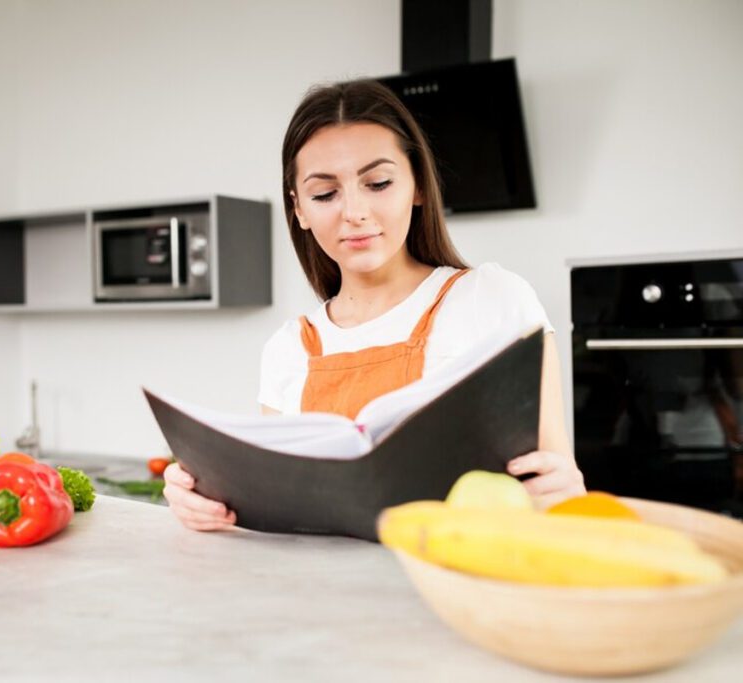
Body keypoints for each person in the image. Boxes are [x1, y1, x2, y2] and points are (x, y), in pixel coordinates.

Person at [164, 80, 585, 531]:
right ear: (300, 209)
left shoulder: (493, 298)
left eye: (378, 183)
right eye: (325, 194)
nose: (355, 212)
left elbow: (559, 485)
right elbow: (272, 512)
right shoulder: (289, 348)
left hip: (455, 585)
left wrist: (566, 491)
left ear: (418, 185)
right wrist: (202, 496)